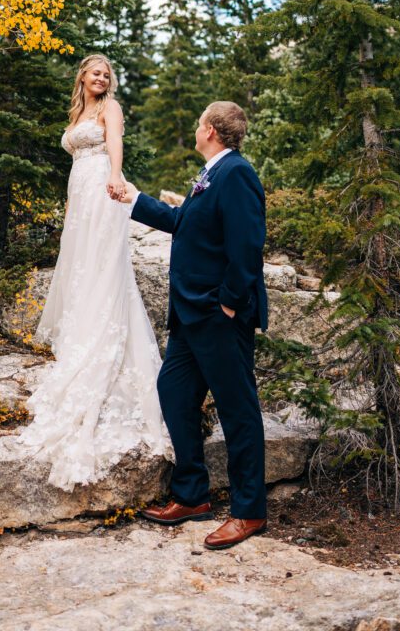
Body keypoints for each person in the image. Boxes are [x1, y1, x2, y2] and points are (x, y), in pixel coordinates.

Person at [113, 101, 268, 550]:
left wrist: (230, 304)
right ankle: (192, 495)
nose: (195, 130)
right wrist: (135, 200)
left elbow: (247, 244)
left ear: (213, 131)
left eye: (199, 123)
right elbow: (184, 223)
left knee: (238, 410)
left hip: (217, 315)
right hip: (189, 316)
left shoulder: (236, 174)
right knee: (175, 393)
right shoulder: (212, 174)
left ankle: (249, 511)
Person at [20, 54, 170, 490]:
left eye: (107, 74)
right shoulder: (77, 112)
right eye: (95, 72)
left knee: (104, 268)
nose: (101, 78)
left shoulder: (110, 109)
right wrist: (70, 208)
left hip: (104, 187)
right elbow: (74, 163)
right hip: (79, 194)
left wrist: (118, 177)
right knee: (80, 266)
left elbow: (114, 145)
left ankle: (103, 341)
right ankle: (80, 337)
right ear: (83, 77)